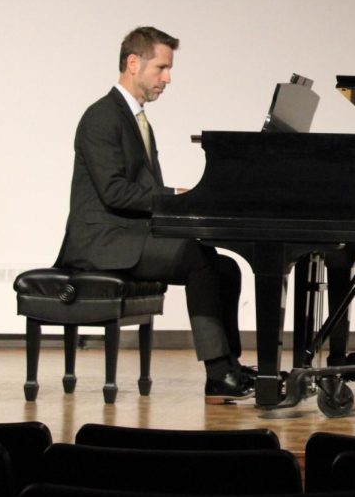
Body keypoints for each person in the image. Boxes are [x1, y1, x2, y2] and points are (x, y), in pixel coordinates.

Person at [57, 26, 254, 403]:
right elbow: (113, 192)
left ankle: (229, 363)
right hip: (101, 242)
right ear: (133, 63)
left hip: (127, 234)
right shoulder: (101, 117)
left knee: (225, 267)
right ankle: (216, 374)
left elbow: (140, 193)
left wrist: (181, 203)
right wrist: (172, 196)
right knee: (196, 258)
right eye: (161, 68)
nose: (168, 78)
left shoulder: (136, 119)